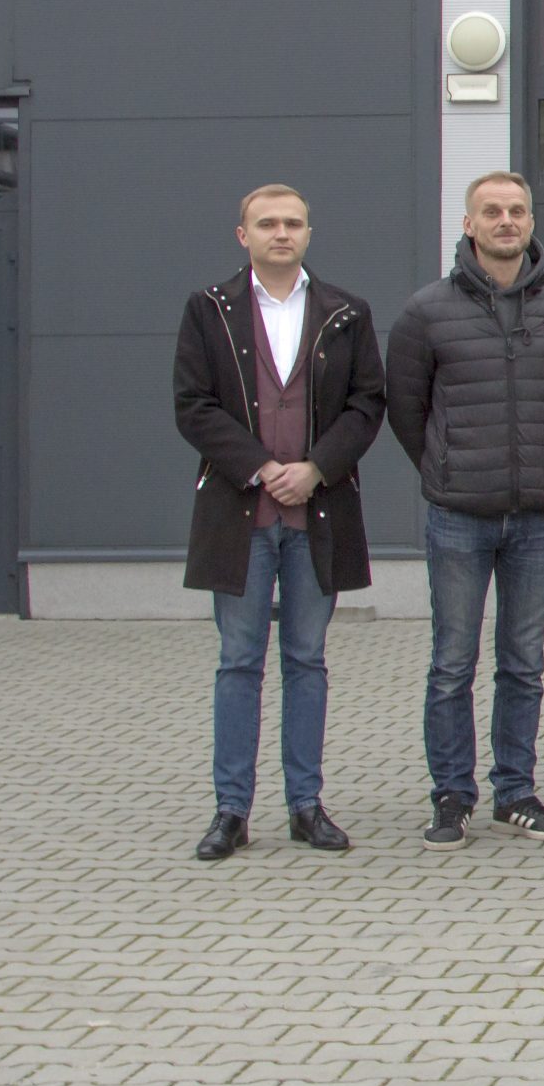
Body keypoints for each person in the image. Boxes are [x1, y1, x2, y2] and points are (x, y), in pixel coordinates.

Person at [388, 171, 544, 849]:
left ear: (531, 221)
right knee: (452, 663)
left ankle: (515, 791)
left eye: (517, 210)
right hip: (459, 514)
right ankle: (451, 795)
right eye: (491, 211)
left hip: (538, 518)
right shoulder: (426, 311)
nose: (506, 220)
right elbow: (407, 409)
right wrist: (446, 467)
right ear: (469, 224)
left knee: (523, 662)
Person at [175, 184, 386, 860]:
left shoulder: (346, 312)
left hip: (317, 514)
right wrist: (262, 466)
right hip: (238, 513)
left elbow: (367, 403)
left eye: (293, 222)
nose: (281, 232)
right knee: (239, 661)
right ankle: (231, 811)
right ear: (244, 235)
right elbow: (193, 404)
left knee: (307, 659)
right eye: (267, 223)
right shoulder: (210, 308)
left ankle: (306, 806)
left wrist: (316, 467)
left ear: (309, 233)